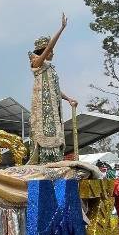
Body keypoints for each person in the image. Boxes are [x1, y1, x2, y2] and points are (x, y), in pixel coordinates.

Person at [28, 13, 78, 164]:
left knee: (56, 132)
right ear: (44, 51)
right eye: (50, 51)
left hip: (53, 108)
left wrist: (68, 99)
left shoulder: (50, 69)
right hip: (42, 109)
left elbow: (56, 89)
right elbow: (50, 46)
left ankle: (56, 159)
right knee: (44, 133)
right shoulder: (36, 64)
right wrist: (61, 28)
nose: (53, 53)